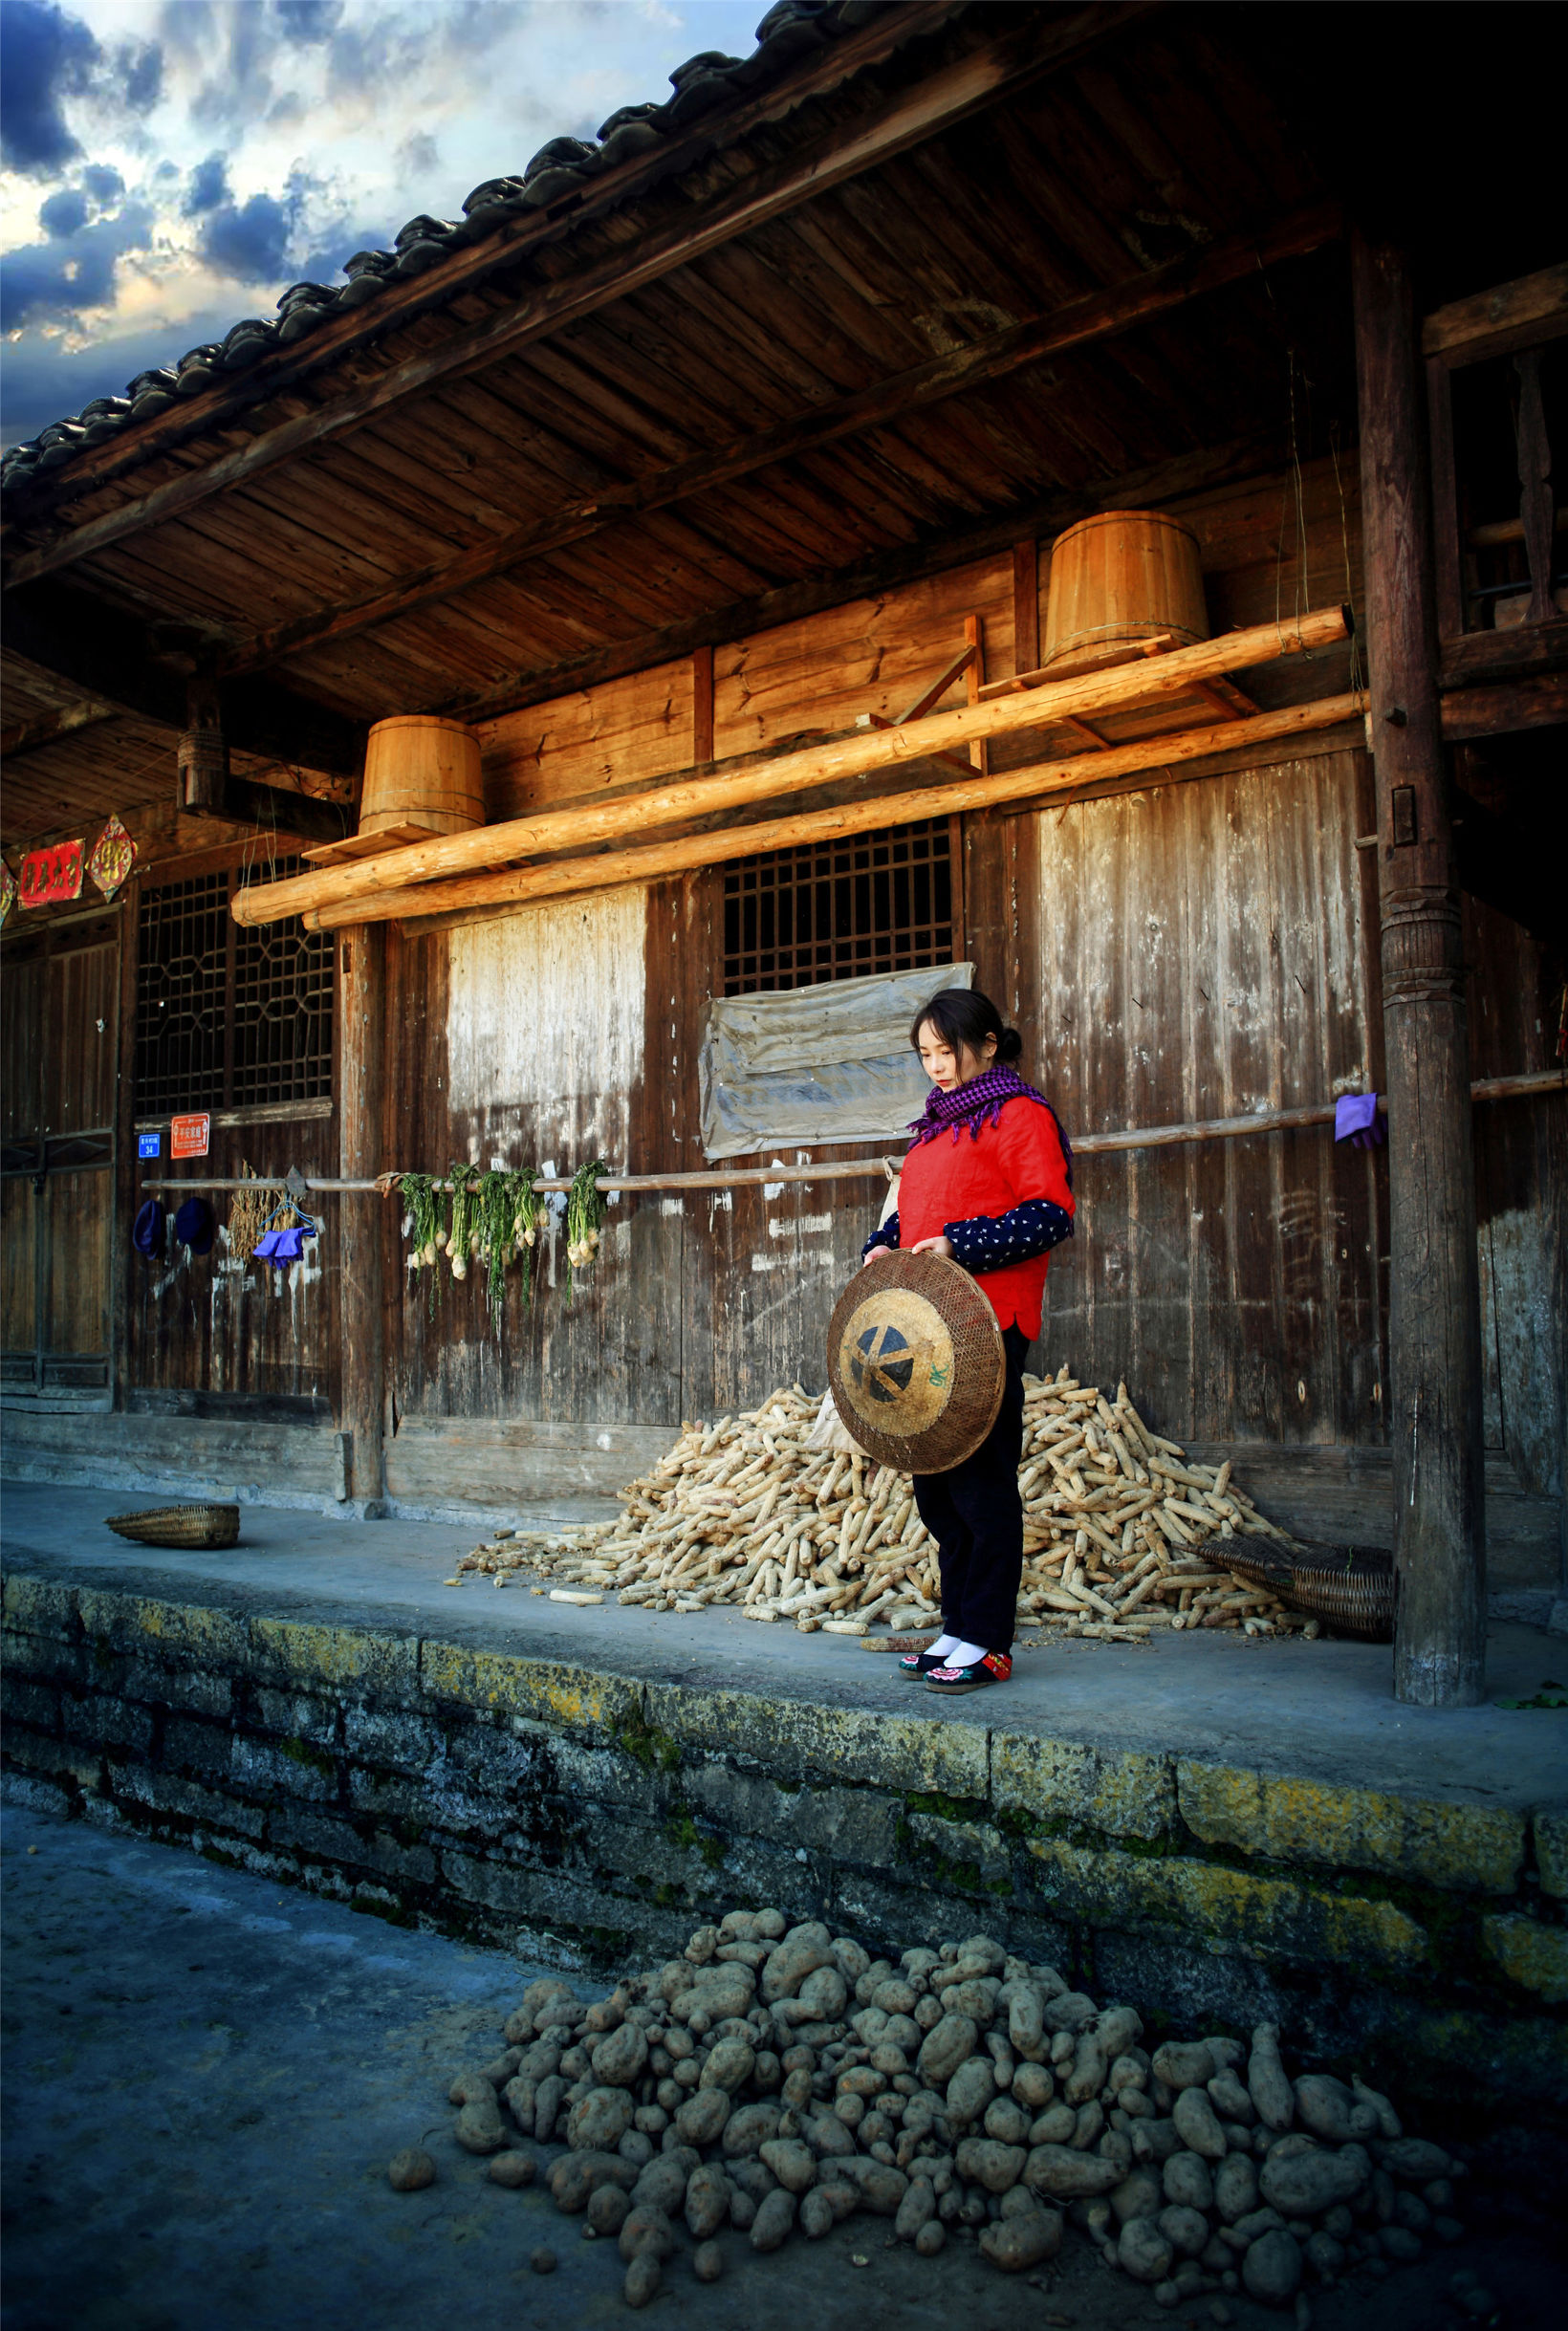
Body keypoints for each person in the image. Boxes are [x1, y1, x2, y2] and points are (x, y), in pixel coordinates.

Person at [860, 989, 1074, 1694]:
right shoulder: (931, 1131)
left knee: (982, 1486)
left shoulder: (1021, 1115)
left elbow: (1049, 1215)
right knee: (936, 1487)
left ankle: (988, 1640)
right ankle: (957, 1628)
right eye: (925, 1055)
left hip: (989, 1324)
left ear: (986, 1043)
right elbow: (911, 1214)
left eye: (945, 1051)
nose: (936, 1067)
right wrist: (879, 1247)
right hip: (927, 1331)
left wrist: (960, 1245)